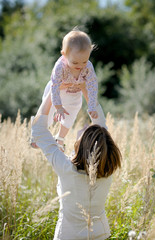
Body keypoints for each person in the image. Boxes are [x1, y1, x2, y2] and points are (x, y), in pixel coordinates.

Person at [31, 91, 122, 240]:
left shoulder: (67, 168)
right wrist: (87, 91)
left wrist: (53, 93)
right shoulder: (108, 169)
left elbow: (38, 130)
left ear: (82, 147)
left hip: (68, 236)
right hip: (100, 233)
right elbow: (102, 134)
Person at [31, 28, 99, 151]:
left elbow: (92, 85)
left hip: (74, 93)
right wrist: (58, 106)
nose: (80, 66)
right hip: (57, 92)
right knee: (47, 111)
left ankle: (60, 138)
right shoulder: (59, 67)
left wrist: (92, 106)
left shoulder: (88, 66)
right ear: (64, 54)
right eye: (75, 62)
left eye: (84, 61)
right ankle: (36, 135)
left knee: (71, 114)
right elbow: (55, 86)